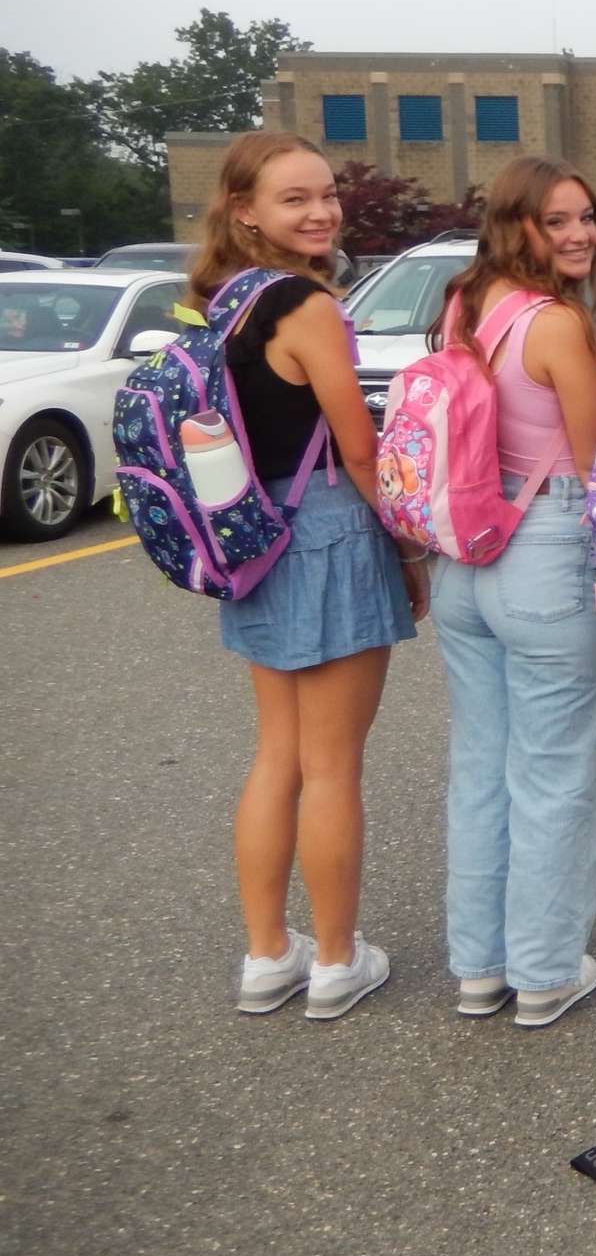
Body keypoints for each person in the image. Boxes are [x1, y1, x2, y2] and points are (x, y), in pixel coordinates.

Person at [202, 132, 428, 1020]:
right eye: (294, 198)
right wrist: (409, 551)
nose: (321, 210)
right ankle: (335, 960)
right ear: (244, 209)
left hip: (252, 530)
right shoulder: (307, 307)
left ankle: (267, 956)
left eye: (326, 193)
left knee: (278, 756)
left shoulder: (224, 302)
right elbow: (359, 444)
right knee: (332, 766)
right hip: (327, 529)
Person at [427, 158, 596, 1028]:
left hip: (465, 556)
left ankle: (479, 966)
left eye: (587, 217)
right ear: (519, 224)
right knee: (552, 774)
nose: (580, 234)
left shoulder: (462, 306)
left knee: (481, 768)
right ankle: (543, 971)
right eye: (558, 220)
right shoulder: (554, 327)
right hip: (545, 549)